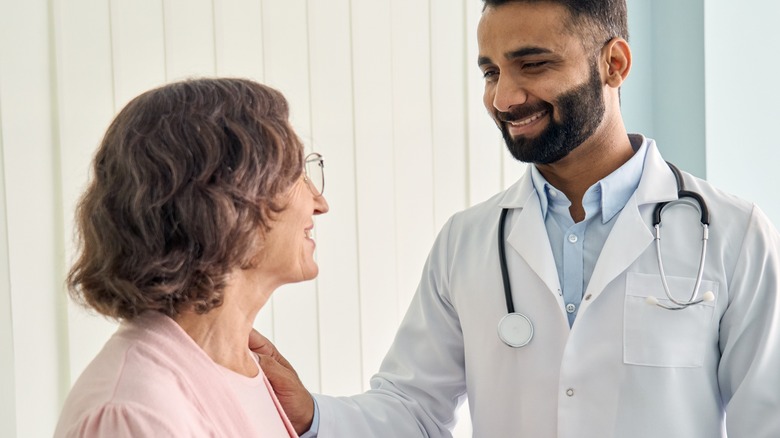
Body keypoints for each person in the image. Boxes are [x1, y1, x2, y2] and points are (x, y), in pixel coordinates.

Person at [253, 0, 780, 437]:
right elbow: (413, 409)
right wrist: (311, 412)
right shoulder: (468, 242)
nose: (503, 97)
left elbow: (767, 417)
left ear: (614, 64)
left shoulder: (733, 235)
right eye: (491, 71)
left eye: (533, 65)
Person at [55, 78, 328, 437]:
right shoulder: (134, 411)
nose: (320, 203)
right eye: (296, 173)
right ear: (230, 202)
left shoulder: (242, 371)